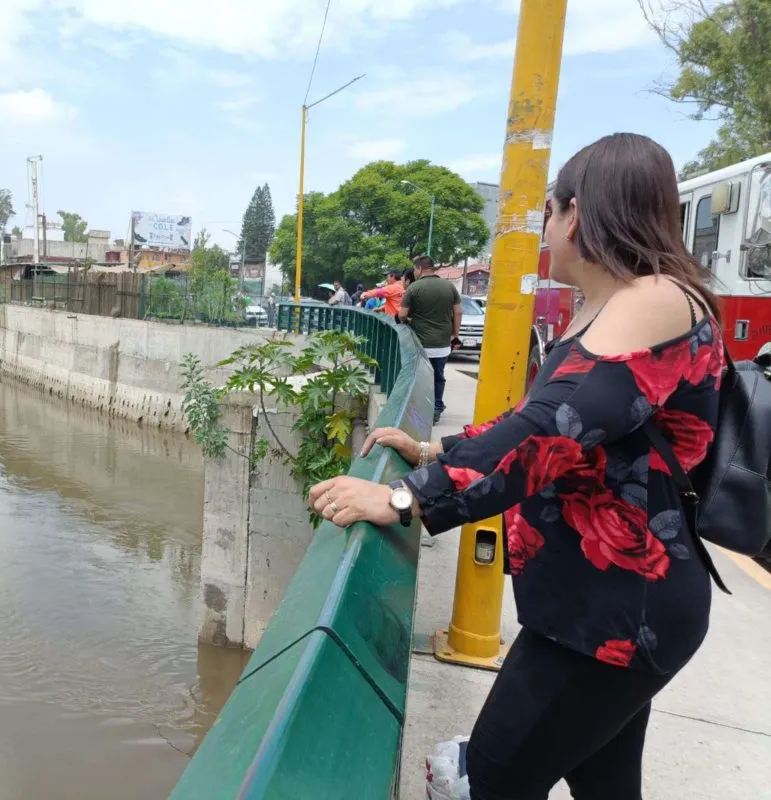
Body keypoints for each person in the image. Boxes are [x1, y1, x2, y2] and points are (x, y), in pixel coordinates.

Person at [308, 133, 725, 800]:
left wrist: (402, 499)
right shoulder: (618, 305)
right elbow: (549, 416)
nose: (546, 236)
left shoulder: (653, 299)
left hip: (610, 615)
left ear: (576, 214)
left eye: (548, 217)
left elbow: (549, 431)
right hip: (598, 605)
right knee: (606, 788)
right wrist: (434, 449)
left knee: (488, 785)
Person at [399, 255, 462, 424]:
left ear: (419, 268)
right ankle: (436, 408)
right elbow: (458, 312)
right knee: (439, 376)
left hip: (420, 343)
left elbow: (402, 314)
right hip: (442, 343)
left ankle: (418, 409)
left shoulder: (413, 288)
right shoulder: (449, 286)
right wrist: (454, 333)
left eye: (414, 269)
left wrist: (410, 321)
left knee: (418, 377)